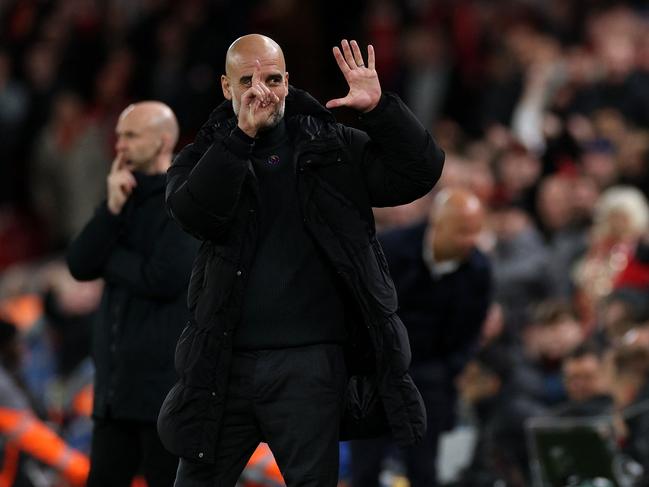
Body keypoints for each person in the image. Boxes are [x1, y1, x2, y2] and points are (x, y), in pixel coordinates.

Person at [158, 34, 445, 486]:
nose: (262, 91)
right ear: (225, 87)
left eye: (273, 78)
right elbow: (194, 213)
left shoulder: (333, 147)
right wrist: (241, 138)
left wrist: (380, 110)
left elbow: (419, 173)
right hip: (225, 366)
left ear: (288, 81)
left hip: (311, 368)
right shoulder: (201, 157)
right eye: (247, 80)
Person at [66, 101, 199, 487]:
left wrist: (108, 258)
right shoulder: (121, 195)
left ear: (163, 141)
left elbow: (163, 278)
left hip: (163, 395)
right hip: (114, 392)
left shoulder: (184, 198)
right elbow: (79, 263)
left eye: (131, 135)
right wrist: (110, 209)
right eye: (119, 134)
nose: (119, 144)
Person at [350, 188, 492, 487]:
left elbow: (471, 333)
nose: (471, 240)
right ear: (438, 225)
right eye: (463, 231)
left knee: (424, 472)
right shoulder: (388, 249)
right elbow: (356, 307)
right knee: (365, 470)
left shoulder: (479, 271)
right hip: (377, 372)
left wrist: (446, 371)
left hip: (431, 378)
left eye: (475, 231)